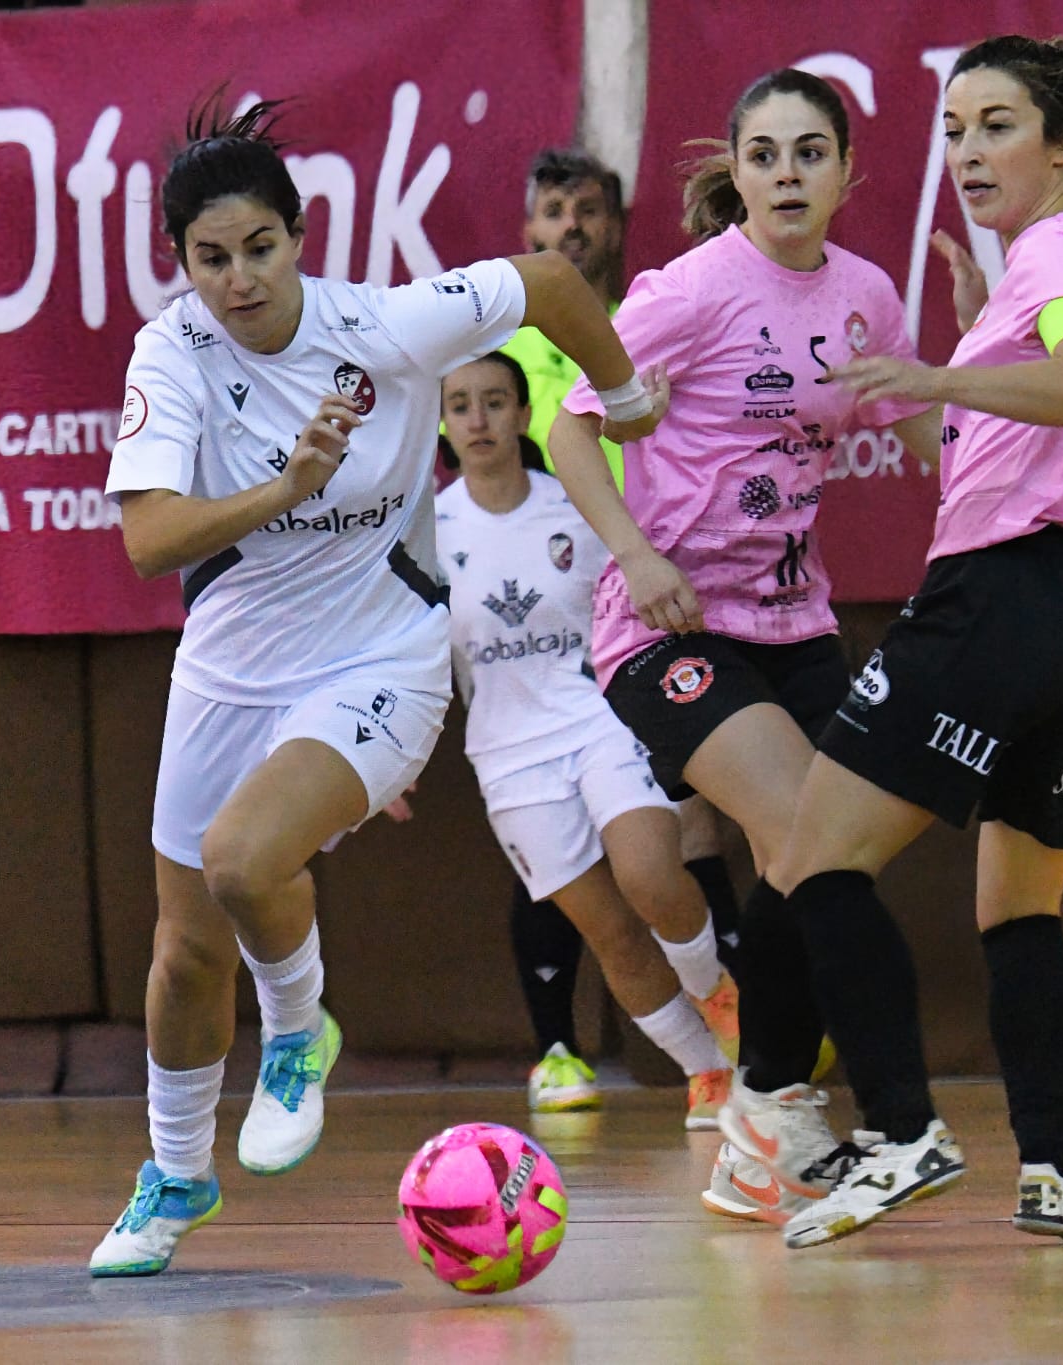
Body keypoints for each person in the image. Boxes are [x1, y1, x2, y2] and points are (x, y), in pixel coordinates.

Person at [88, 97, 661, 1278]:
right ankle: (175, 1175)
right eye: (210, 259)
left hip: (378, 657)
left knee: (247, 859)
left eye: (259, 248)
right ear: (179, 264)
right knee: (183, 950)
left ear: (298, 237)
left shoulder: (387, 323)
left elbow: (552, 285)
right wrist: (286, 487)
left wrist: (625, 392)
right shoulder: (174, 354)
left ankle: (298, 1033)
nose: (238, 279)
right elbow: (151, 541)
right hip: (229, 662)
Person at [767, 35, 1063, 1249]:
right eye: (951, 126)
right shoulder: (1045, 272)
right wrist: (979, 344)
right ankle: (1054, 1173)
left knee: (810, 864)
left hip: (1001, 602)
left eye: (995, 124)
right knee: (1017, 911)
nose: (967, 150)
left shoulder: (1061, 250)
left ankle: (898, 1132)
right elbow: (1054, 398)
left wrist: (939, 371)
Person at [548, 70, 942, 1227]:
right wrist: (634, 556)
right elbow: (569, 430)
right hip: (666, 627)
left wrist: (1017, 440)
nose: (785, 174)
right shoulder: (691, 290)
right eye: (762, 154)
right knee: (808, 839)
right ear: (734, 170)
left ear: (844, 175)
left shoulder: (865, 295)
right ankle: (872, 1116)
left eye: (808, 153)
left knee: (813, 860)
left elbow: (933, 440)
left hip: (795, 624)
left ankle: (761, 1113)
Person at [499, 148, 747, 1113]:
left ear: (616, 224)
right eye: (552, 212)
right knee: (557, 850)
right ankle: (558, 1047)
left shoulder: (651, 323)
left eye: (588, 211)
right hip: (543, 634)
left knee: (690, 820)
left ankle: (741, 1037)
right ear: (528, 232)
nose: (570, 229)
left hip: (659, 603)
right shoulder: (503, 357)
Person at [437, 349, 739, 1128]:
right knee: (609, 930)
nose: (478, 419)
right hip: (508, 756)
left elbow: (641, 586)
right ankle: (707, 1072)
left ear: (520, 413)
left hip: (600, 717)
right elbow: (404, 650)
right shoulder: (429, 530)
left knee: (649, 872)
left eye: (494, 401)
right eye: (461, 403)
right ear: (442, 421)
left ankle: (727, 1007)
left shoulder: (570, 504)